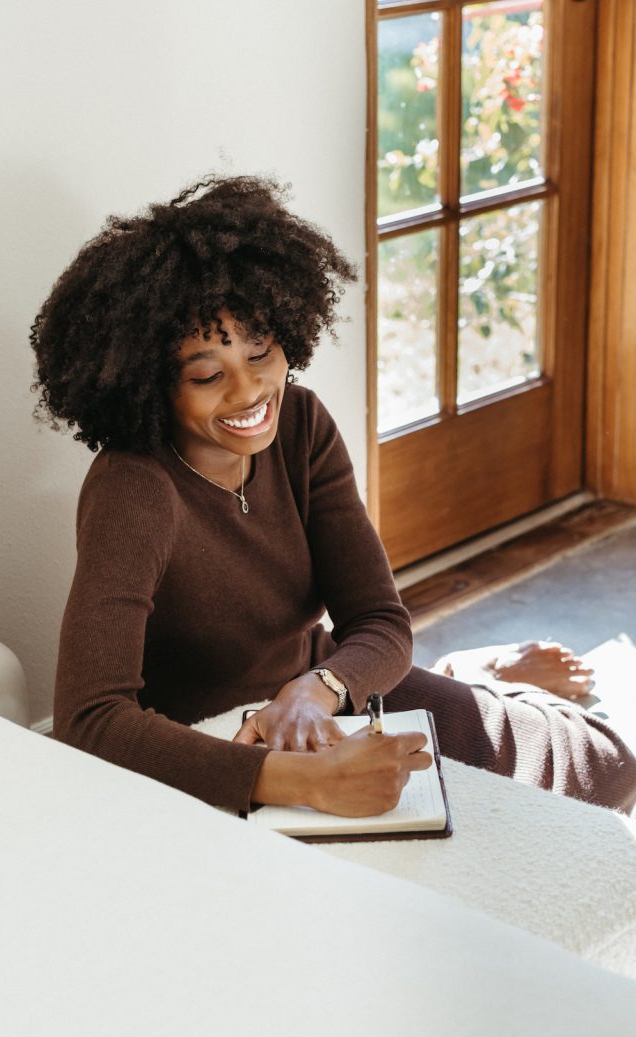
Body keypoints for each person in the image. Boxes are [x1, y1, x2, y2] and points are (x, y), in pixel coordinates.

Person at [31, 175, 636, 815]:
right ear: (150, 385)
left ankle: (469, 677)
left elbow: (379, 621)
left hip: (318, 689)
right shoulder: (133, 490)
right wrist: (297, 779)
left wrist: (316, 691)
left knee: (608, 769)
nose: (249, 392)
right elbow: (88, 720)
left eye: (262, 352)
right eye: (208, 375)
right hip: (209, 743)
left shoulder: (301, 423)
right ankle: (460, 675)